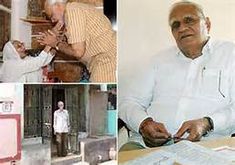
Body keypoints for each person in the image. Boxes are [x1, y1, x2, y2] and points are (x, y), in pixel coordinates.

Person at [119, 1, 235, 151]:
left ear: (207, 24)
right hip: (147, 146)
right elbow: (129, 101)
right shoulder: (157, 61)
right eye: (175, 25)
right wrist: (144, 123)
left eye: (189, 20)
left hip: (208, 146)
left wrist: (207, 123)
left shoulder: (230, 55)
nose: (182, 28)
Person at [38, 0, 116, 83]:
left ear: (57, 5)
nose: (53, 21)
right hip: (106, 60)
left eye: (52, 16)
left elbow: (78, 52)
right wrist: (56, 40)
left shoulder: (72, 10)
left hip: (107, 61)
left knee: (101, 93)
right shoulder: (75, 10)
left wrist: (55, 43)